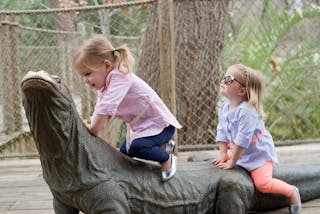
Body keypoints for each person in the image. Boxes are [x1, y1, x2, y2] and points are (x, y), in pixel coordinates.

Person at [72, 35, 182, 182]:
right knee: (124, 152)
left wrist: (93, 128)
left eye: (88, 74)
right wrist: (92, 123)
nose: (85, 80)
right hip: (142, 126)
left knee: (137, 148)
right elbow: (100, 107)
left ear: (106, 65)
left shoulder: (120, 77)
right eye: (83, 76)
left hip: (161, 125)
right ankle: (162, 145)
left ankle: (167, 159)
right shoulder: (106, 85)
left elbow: (105, 109)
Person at [211, 64, 302, 214]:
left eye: (229, 79)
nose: (223, 80)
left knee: (263, 184)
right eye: (224, 76)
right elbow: (221, 129)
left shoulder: (247, 111)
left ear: (242, 91)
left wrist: (232, 161)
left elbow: (242, 139)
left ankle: (292, 192)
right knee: (218, 162)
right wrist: (223, 153)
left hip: (257, 155)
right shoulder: (224, 106)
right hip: (238, 151)